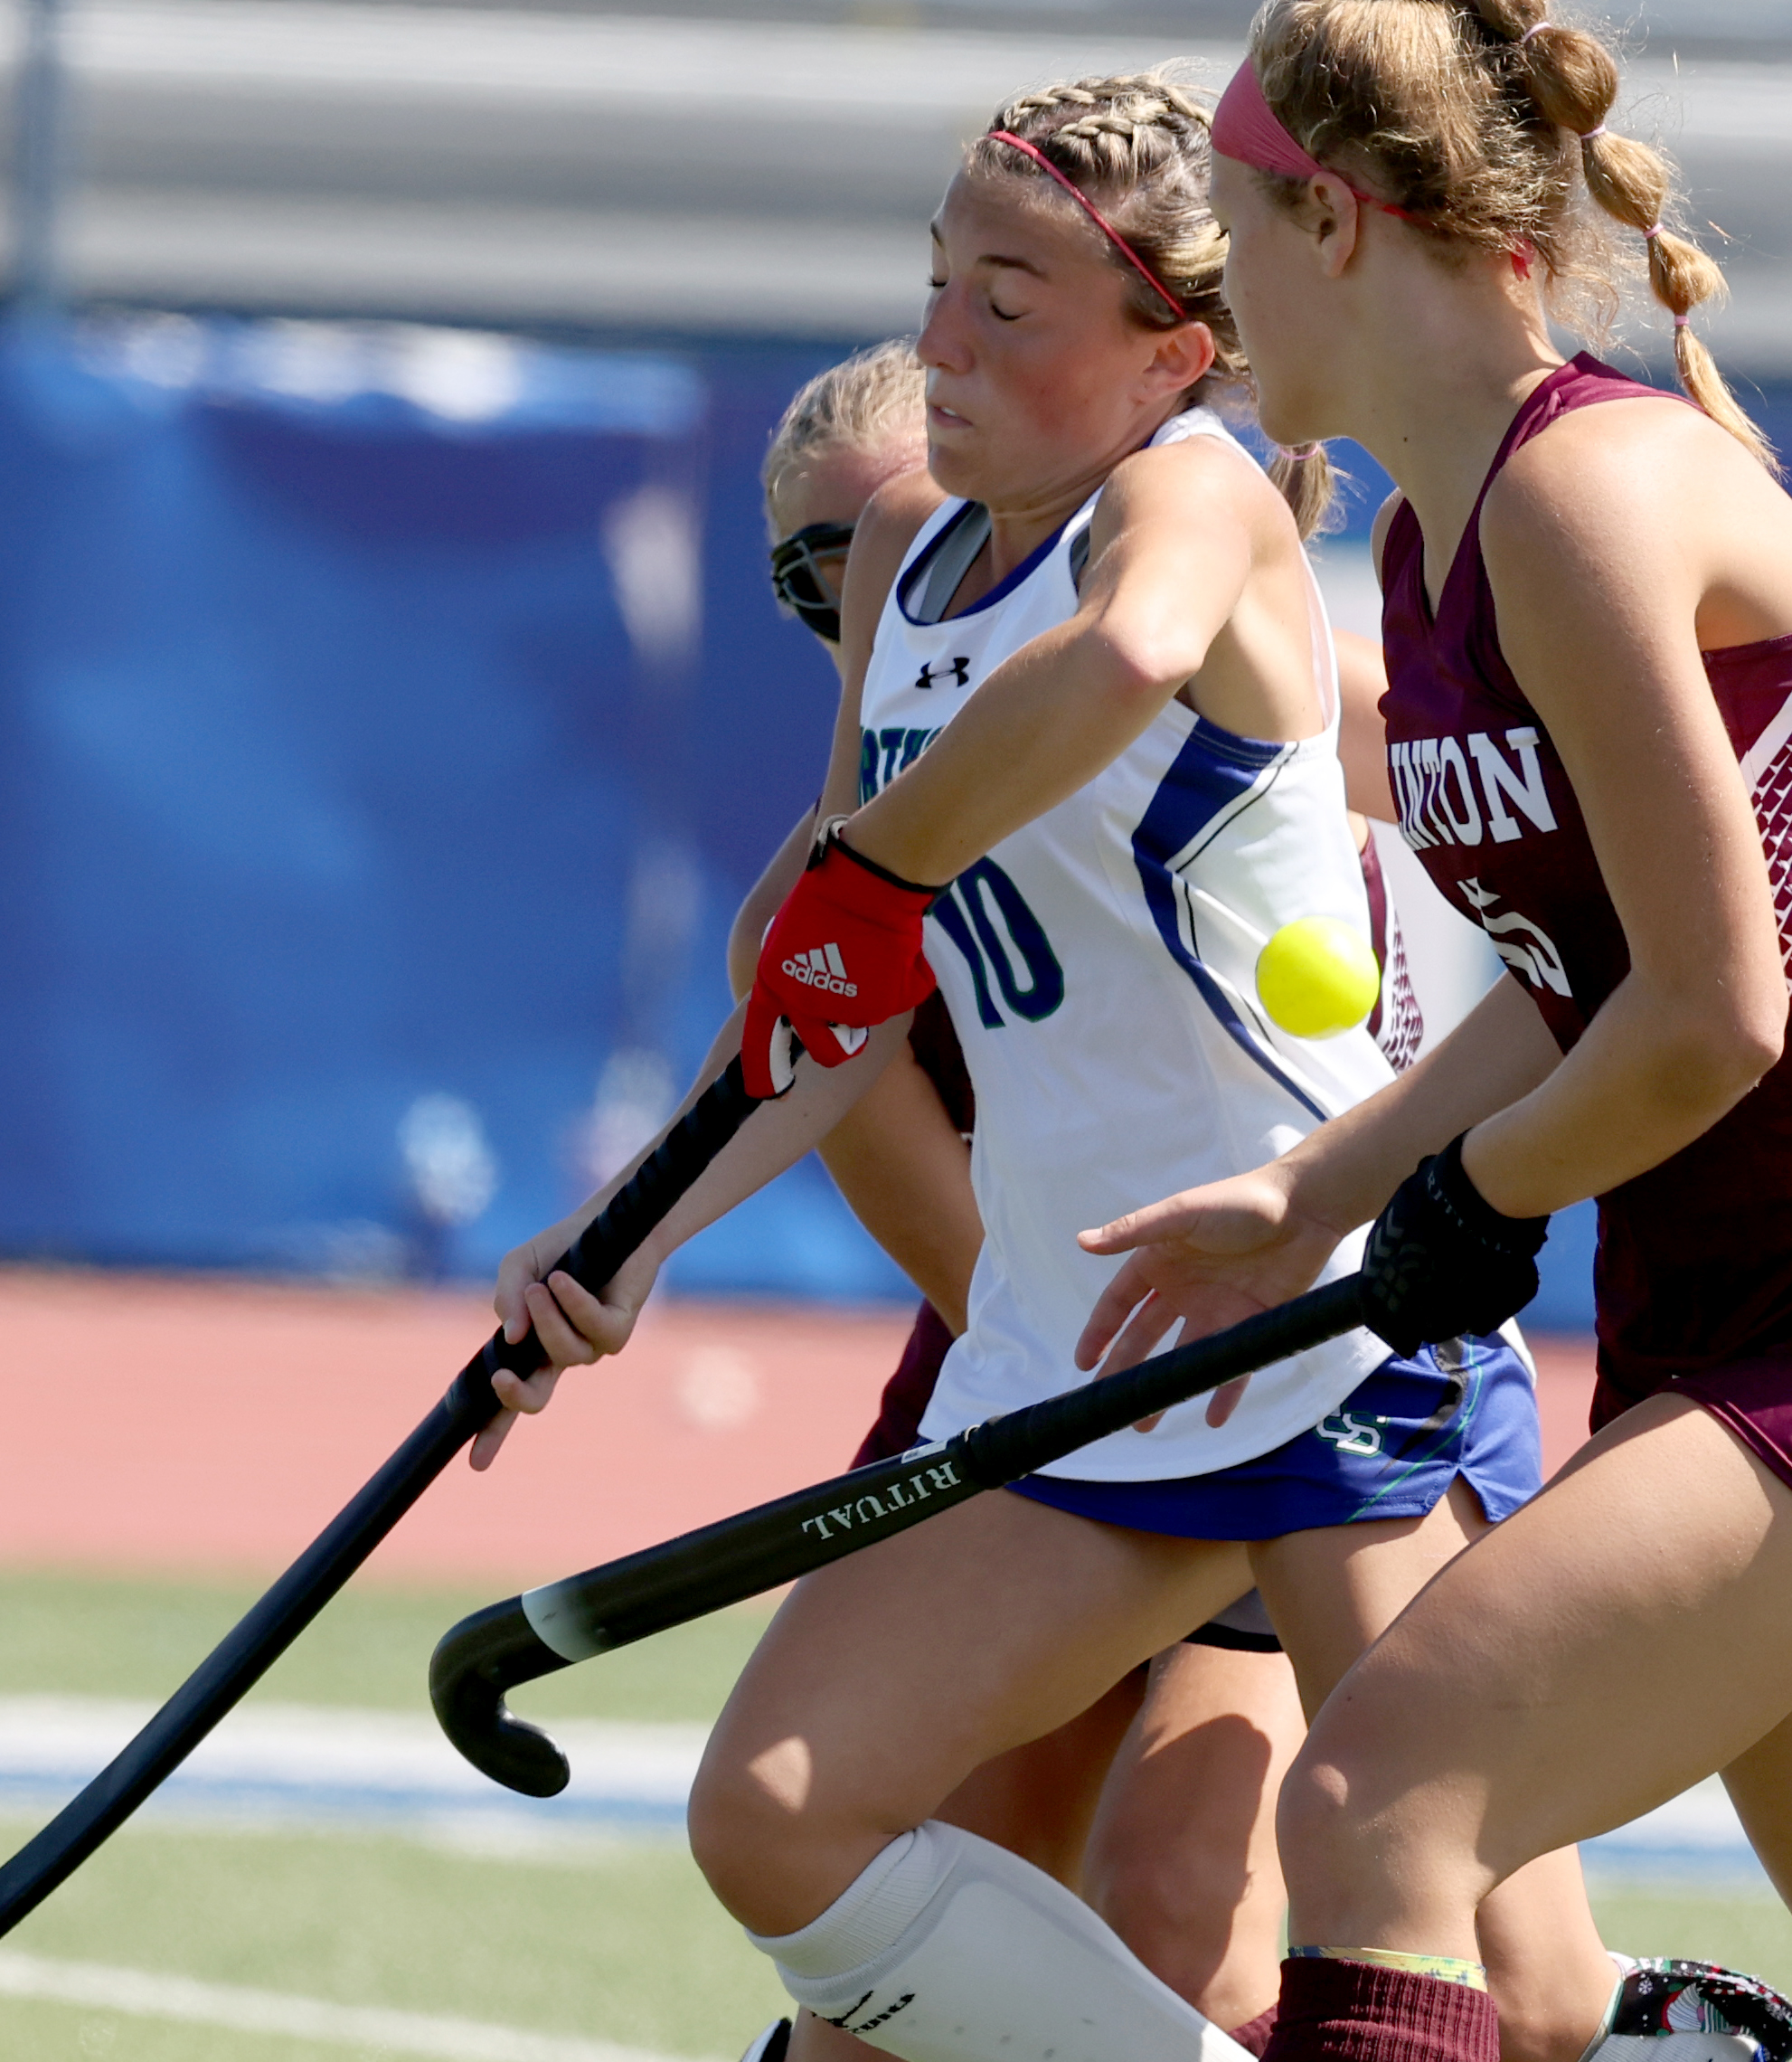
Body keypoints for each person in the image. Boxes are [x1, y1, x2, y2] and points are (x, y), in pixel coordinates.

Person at [475, 71, 1792, 2062]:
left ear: (1172, 350)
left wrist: (872, 866)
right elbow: (835, 1010)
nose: (938, 347)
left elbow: (1114, 665)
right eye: (936, 285)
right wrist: (623, 1245)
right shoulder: (903, 569)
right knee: (775, 1820)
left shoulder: (1192, 491)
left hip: (1315, 1311)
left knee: (1502, 1979)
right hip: (1079, 1346)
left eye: (1006, 306)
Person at [1074, 10, 1792, 2062]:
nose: (1217, 291)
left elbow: (1710, 1017)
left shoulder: (1581, 500)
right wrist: (1327, 1191)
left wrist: (1468, 1195)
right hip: (1748, 1310)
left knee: (1379, 1804)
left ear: (1331, 221)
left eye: (1233, 232)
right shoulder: (1437, 543)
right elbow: (1580, 971)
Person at [737, 335, 1308, 2061]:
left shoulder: (1271, 704)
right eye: (811, 575)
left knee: (1204, 1924)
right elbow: (841, 1095)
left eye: (896, 543)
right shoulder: (867, 830)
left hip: (1299, 1345)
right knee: (902, 1982)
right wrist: (610, 1260)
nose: (868, 607)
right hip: (1053, 1349)